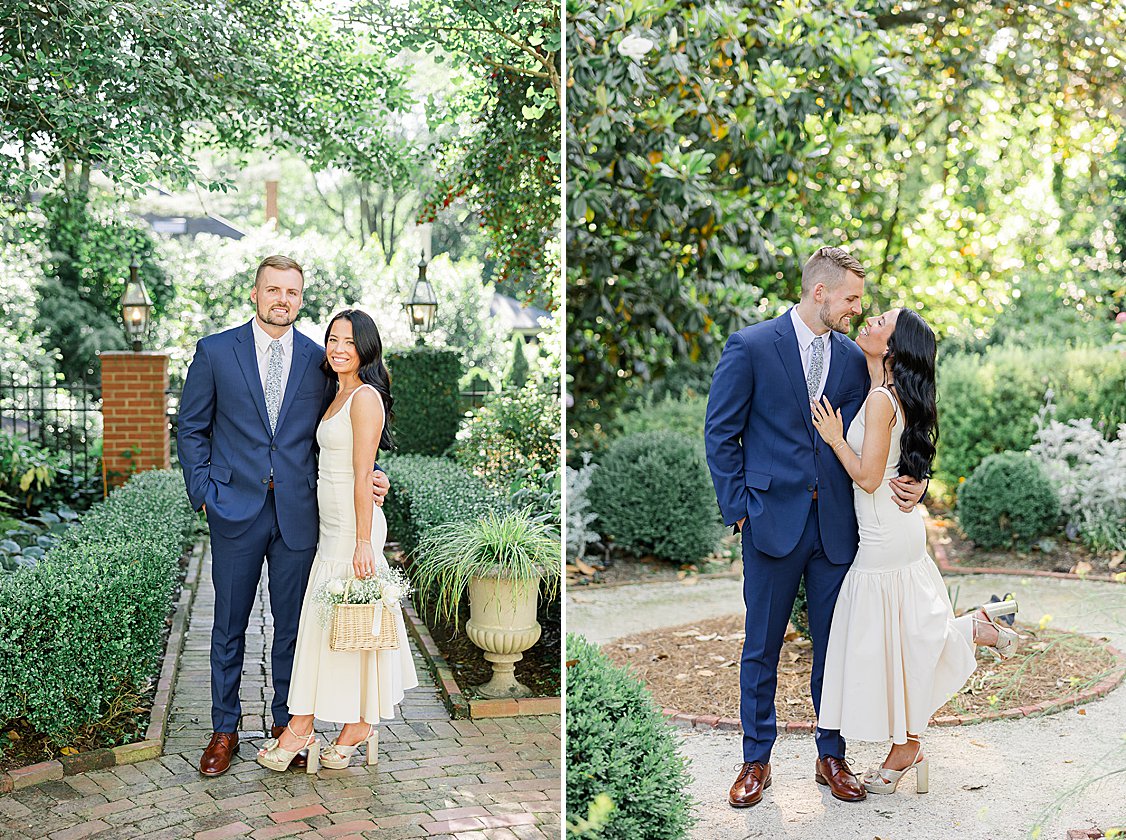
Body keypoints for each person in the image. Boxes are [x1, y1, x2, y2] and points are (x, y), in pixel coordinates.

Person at [704, 246, 928, 808]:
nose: (858, 307)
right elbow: (720, 434)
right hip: (770, 524)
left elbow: (904, 416)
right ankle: (756, 760)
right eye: (851, 297)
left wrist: (918, 478)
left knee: (836, 648)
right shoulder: (751, 346)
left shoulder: (856, 360)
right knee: (761, 647)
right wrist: (740, 510)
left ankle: (832, 755)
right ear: (820, 291)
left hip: (836, 530)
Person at [178, 255, 391, 777]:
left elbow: (343, 428)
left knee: (294, 626)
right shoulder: (214, 352)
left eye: (292, 292)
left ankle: (285, 726)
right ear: (255, 294)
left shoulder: (321, 360)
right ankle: (224, 729)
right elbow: (190, 427)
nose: (282, 300)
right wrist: (203, 490)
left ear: (301, 298)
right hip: (234, 510)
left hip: (301, 514)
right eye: (273, 290)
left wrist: (375, 475)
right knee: (228, 625)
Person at [812, 307, 1019, 795]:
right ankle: (974, 634)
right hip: (894, 527)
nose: (870, 318)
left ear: (894, 345)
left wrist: (836, 439)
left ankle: (974, 635)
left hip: (884, 533)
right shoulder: (889, 391)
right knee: (901, 640)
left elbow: (866, 477)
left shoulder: (885, 399)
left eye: (881, 319)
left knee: (887, 641)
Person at [256, 309, 419, 772]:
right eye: (332, 338)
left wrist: (365, 541)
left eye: (348, 340)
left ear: (365, 348)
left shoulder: (366, 397)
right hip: (330, 526)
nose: (338, 347)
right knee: (334, 628)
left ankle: (306, 727)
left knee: (341, 628)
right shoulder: (335, 393)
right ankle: (347, 725)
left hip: (353, 529)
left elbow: (363, 471)